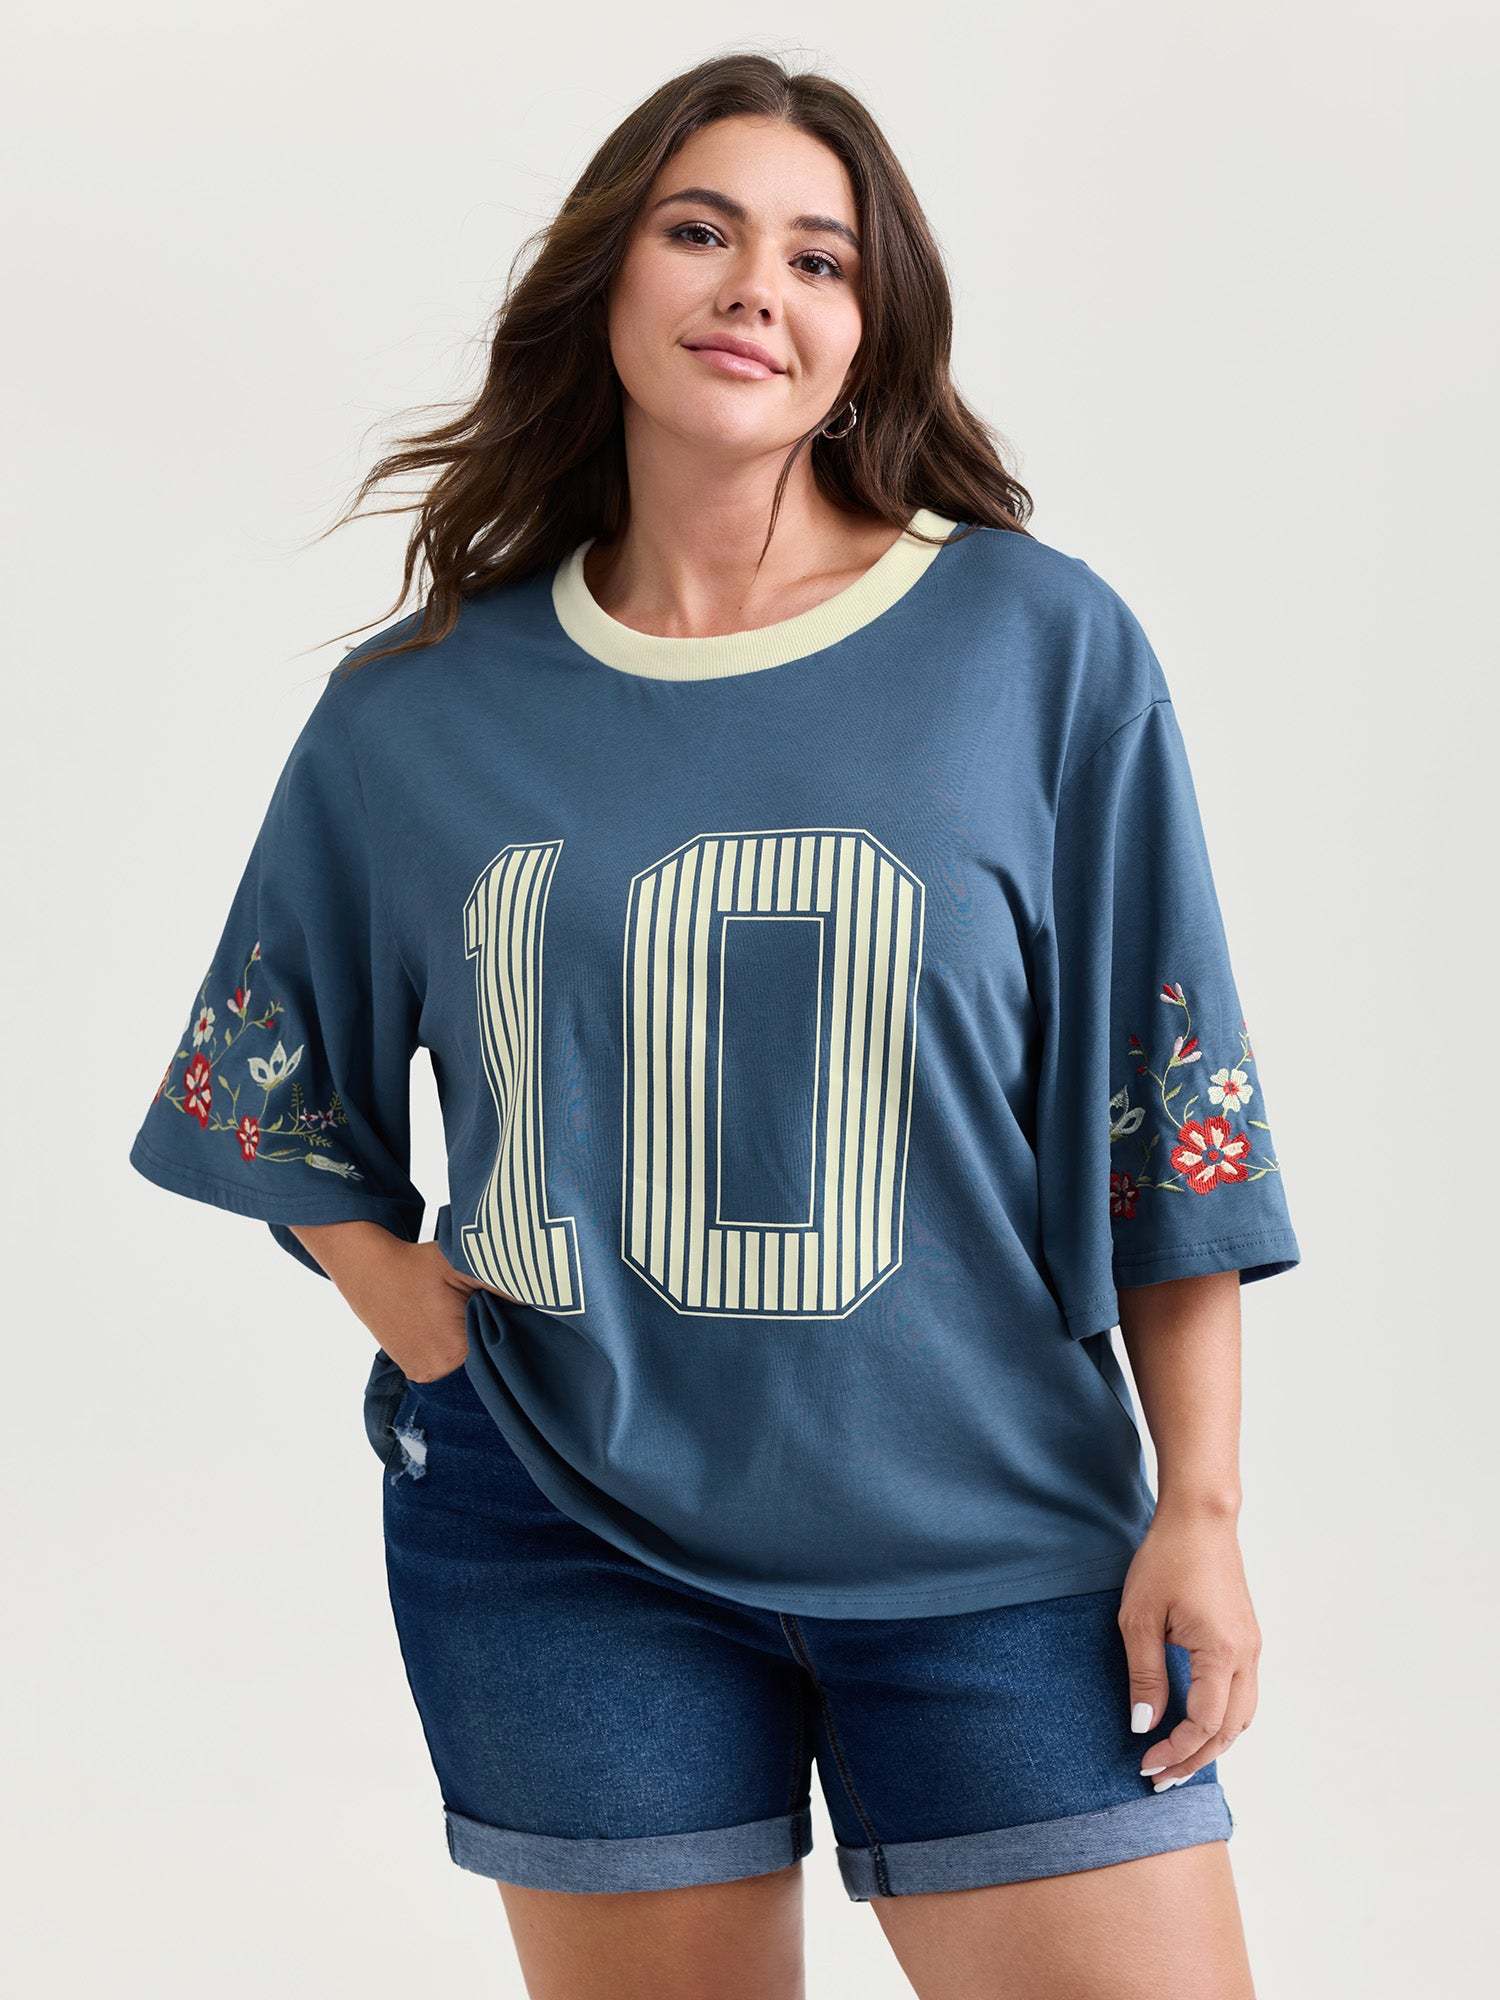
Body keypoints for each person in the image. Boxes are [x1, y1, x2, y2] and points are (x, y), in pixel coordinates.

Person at [126, 50, 1301, 2000]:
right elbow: (266, 1080)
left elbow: (1161, 1113)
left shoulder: (1034, 646)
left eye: (820, 258)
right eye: (703, 231)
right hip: (561, 1545)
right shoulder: (422, 707)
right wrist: (415, 1316)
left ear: (868, 332)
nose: (760, 286)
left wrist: (1203, 1504)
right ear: (607, 275)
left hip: (999, 1541)